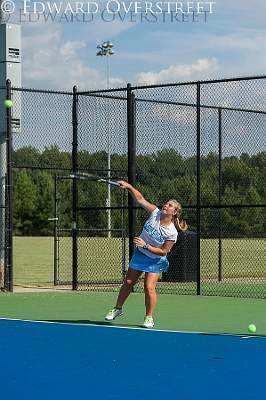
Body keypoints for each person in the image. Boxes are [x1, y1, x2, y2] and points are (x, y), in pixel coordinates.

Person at [105, 180, 188, 328]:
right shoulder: (155, 213)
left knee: (149, 287)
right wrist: (129, 186)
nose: (166, 205)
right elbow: (140, 199)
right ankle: (117, 309)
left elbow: (163, 251)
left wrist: (146, 245)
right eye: (166, 203)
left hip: (156, 259)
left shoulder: (172, 232)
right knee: (129, 282)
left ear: (174, 212)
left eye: (170, 205)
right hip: (141, 254)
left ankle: (149, 317)